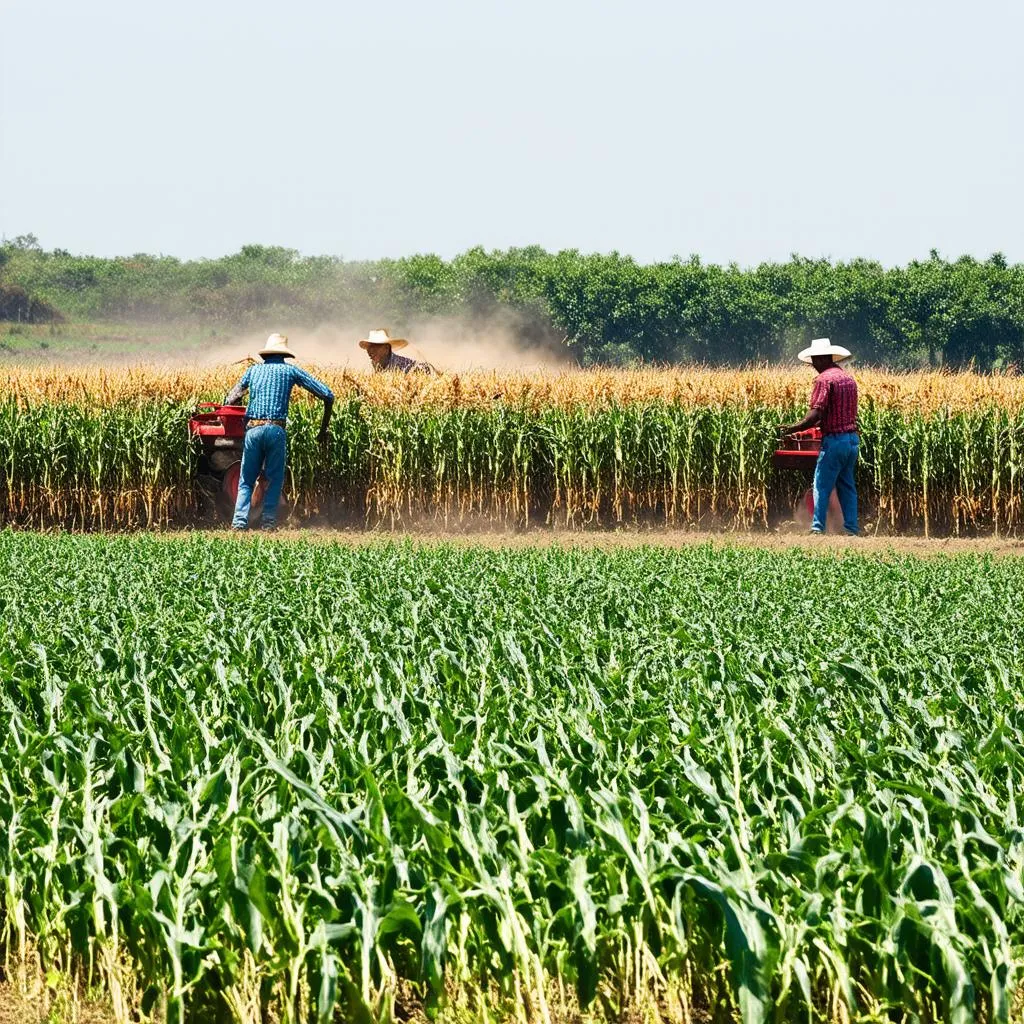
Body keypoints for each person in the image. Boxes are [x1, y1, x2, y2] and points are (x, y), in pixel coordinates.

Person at [224, 333, 334, 531]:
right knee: (274, 479)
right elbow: (328, 395)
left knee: (246, 479)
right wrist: (323, 429)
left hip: (253, 430)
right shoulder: (290, 371)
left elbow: (230, 398)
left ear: (265, 355)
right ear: (284, 355)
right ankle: (268, 523)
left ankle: (239, 523)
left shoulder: (252, 371)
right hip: (276, 429)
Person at [780, 337, 859, 536]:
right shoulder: (848, 378)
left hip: (834, 441)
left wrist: (791, 428)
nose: (814, 365)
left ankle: (817, 527)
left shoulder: (824, 380)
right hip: (851, 441)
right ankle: (851, 527)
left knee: (821, 485)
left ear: (823, 358)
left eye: (815, 360)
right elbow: (833, 413)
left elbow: (815, 414)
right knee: (847, 485)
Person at [358, 328, 436, 374]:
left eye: (374, 347)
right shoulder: (376, 364)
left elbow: (426, 369)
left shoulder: (405, 367)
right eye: (369, 347)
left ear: (386, 348)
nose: (370, 351)